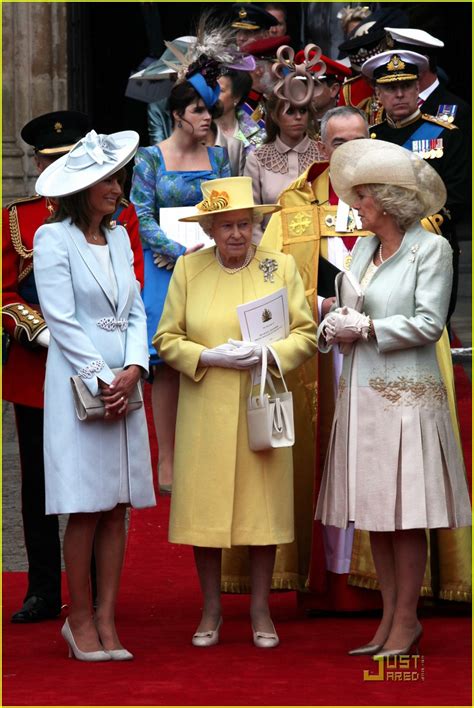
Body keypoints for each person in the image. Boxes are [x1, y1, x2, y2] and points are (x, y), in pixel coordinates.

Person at [316, 138, 471, 656]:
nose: (355, 205)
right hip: (361, 393)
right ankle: (387, 619)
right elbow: (351, 303)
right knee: (377, 514)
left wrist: (368, 328)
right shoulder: (363, 249)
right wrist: (335, 321)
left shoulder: (432, 249)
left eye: (362, 197)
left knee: (405, 518)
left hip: (408, 398)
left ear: (385, 201)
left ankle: (407, 620)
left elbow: (429, 323)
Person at [154, 176, 317, 647]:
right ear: (209, 229)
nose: (237, 234)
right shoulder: (190, 269)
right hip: (205, 406)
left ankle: (261, 610)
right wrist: (206, 356)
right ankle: (211, 610)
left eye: (245, 224)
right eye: (226, 226)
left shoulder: (279, 266)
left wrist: (268, 354)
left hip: (260, 401)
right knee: (204, 513)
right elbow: (166, 338)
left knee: (262, 510)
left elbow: (305, 334)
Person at [33, 129, 156, 661]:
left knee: (116, 506)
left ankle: (107, 617)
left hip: (123, 384)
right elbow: (60, 319)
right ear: (81, 188)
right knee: (85, 506)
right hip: (77, 385)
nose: (117, 189)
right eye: (107, 180)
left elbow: (135, 310)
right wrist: (102, 378)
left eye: (118, 179)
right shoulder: (51, 238)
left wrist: (135, 367)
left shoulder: (122, 237)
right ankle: (79, 619)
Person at [131, 62, 231, 494]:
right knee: (170, 363)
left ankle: (210, 451)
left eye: (210, 110)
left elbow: (228, 208)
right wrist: (175, 251)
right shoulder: (150, 158)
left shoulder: (219, 157)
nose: (207, 117)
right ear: (176, 114)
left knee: (213, 354)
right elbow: (141, 214)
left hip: (212, 261)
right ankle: (168, 459)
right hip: (165, 267)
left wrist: (215, 248)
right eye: (198, 110)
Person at [362, 49, 470, 320]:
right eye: (391, 88)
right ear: (378, 93)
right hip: (381, 245)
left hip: (432, 241)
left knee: (432, 323)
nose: (399, 94)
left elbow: (459, 196)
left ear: (417, 88)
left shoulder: (446, 135)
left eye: (406, 86)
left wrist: (413, 230)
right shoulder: (370, 139)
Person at [294, 49, 352, 137]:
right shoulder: (293, 125)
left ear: (333, 90)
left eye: (315, 85)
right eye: (304, 84)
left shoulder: (348, 124)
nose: (307, 91)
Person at [215, 69, 253, 175]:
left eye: (220, 90)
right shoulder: (200, 130)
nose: (213, 95)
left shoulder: (252, 134)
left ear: (237, 97)